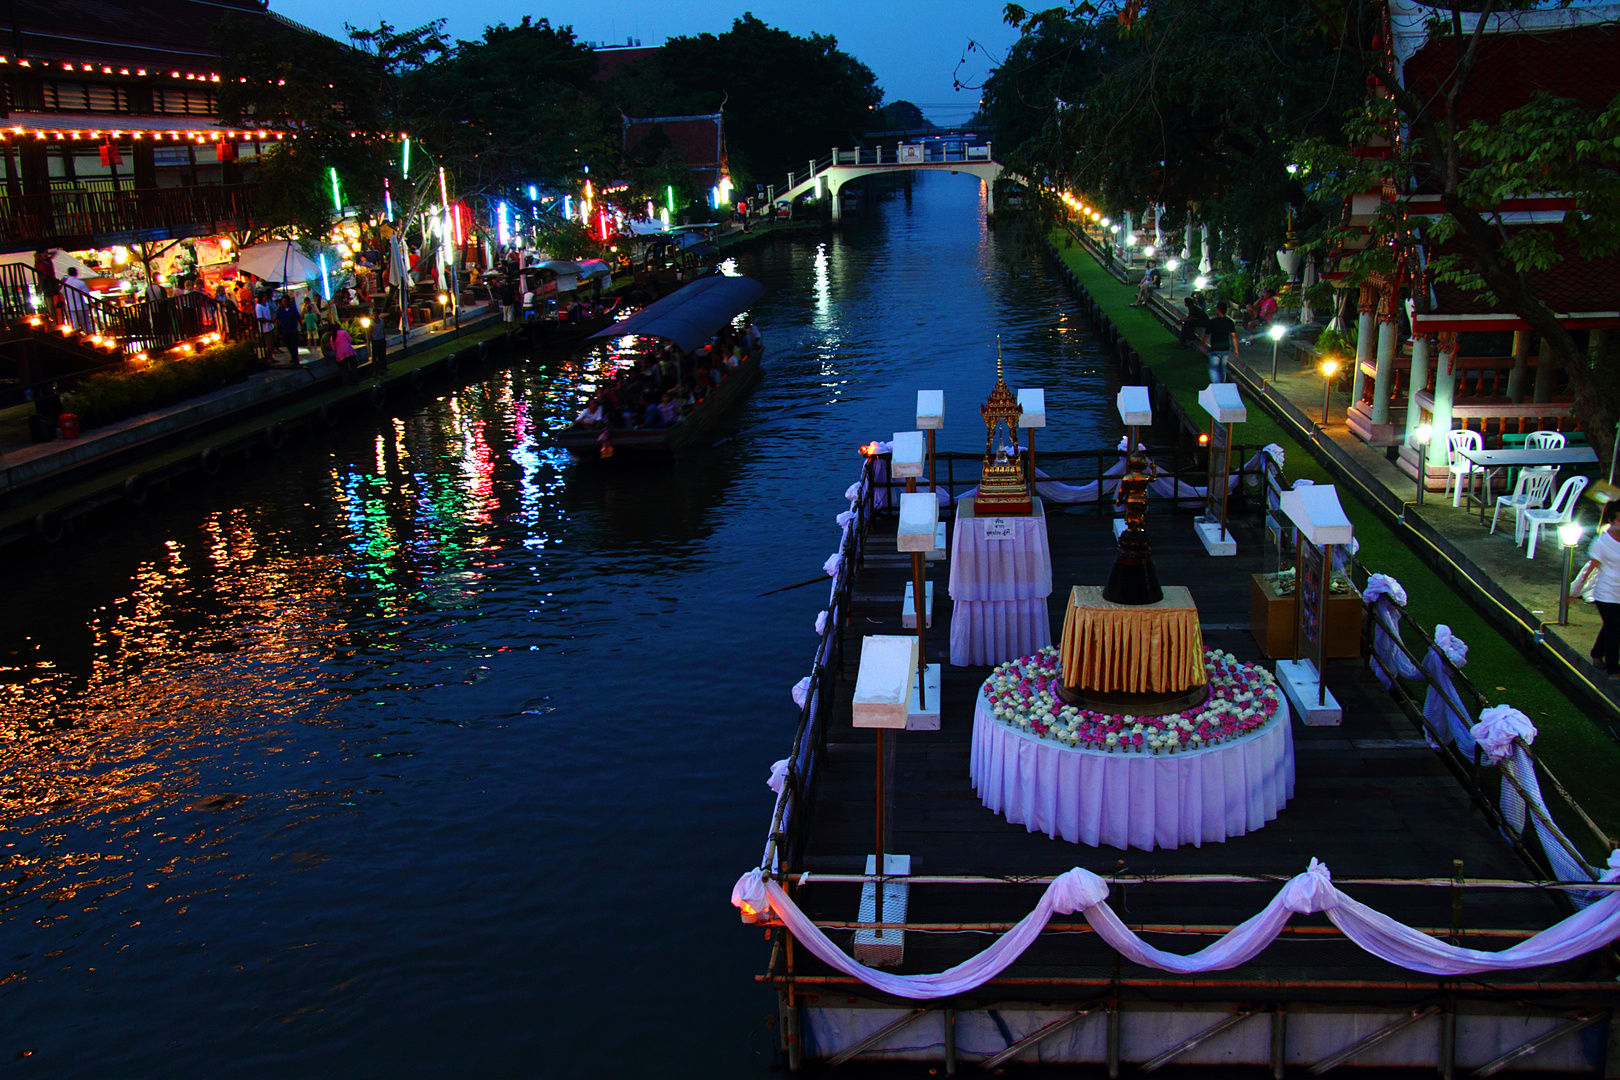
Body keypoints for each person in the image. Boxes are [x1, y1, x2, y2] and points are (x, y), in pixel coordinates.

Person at [1582, 501, 1620, 680]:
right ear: (1612, 520)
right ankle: (1613, 668)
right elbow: (1591, 568)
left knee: (1611, 626)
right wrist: (1575, 590)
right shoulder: (1601, 541)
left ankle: (1597, 652)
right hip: (1606, 594)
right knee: (1615, 628)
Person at [1205, 300, 1239, 381]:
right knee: (1223, 368)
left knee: (1214, 368)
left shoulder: (1212, 322)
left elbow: (1206, 335)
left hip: (1215, 348)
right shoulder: (1230, 322)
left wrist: (1203, 345)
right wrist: (1236, 349)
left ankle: (1216, 384)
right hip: (1225, 349)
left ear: (1218, 310)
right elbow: (1233, 336)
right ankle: (1222, 383)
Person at [60, 266, 93, 332]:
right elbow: (86, 294)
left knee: (73, 323)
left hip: (70, 306)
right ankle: (89, 336)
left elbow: (62, 293)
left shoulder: (65, 283)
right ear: (76, 273)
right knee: (85, 323)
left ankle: (76, 336)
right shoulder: (80, 283)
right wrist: (91, 302)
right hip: (81, 305)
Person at [275, 294, 300, 361]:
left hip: (293, 329)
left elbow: (298, 317)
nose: (284, 303)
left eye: (286, 301)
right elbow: (277, 320)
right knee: (288, 344)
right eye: (283, 301)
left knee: (294, 343)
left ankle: (295, 357)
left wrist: (301, 326)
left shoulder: (293, 309)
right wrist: (276, 329)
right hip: (285, 329)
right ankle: (292, 356)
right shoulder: (280, 310)